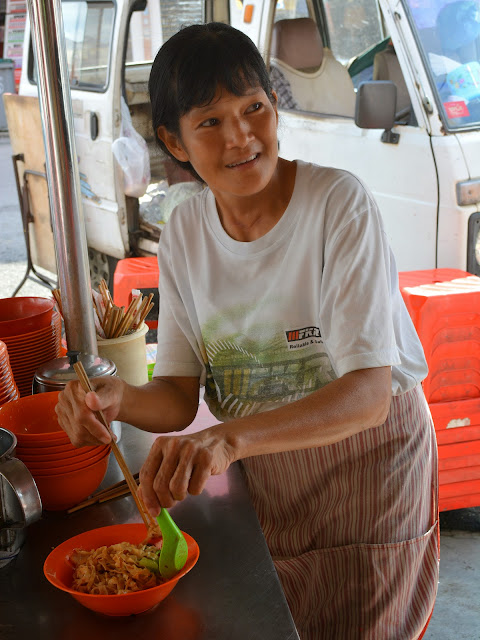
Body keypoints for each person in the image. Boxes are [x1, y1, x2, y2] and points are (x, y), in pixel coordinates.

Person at [56, 22, 439, 640]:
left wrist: (228, 441)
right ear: (173, 142)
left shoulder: (337, 204)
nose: (241, 136)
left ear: (274, 107)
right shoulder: (183, 233)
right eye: (209, 121)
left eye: (254, 108)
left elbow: (369, 394)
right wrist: (120, 400)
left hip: (370, 465)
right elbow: (180, 392)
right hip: (272, 473)